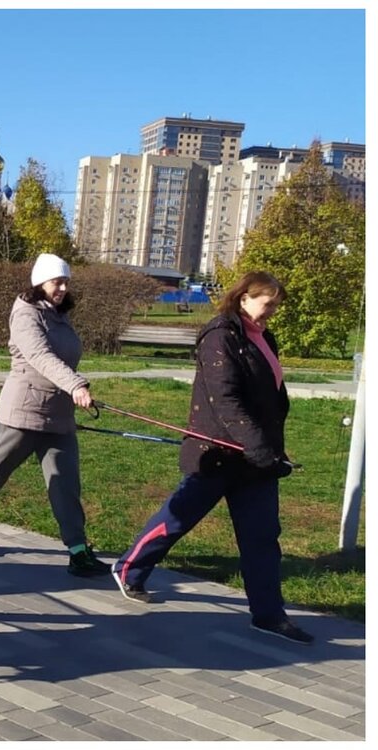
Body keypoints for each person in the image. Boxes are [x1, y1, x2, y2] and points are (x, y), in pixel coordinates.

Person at [113, 271, 312, 644]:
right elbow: (226, 400)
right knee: (177, 520)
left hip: (257, 461)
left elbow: (272, 397)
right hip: (216, 455)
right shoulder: (219, 336)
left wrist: (271, 450)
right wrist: (257, 447)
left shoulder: (263, 336)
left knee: (263, 538)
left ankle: (269, 615)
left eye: (276, 306)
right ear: (243, 299)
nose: (272, 312)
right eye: (268, 304)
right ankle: (129, 569)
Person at [0, 253, 110, 577]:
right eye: (57, 282)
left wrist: (73, 390)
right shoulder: (25, 313)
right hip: (23, 410)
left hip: (59, 414)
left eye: (66, 282)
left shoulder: (59, 316)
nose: (63, 288)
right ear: (40, 282)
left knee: (66, 483)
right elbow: (40, 356)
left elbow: (64, 357)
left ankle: (78, 551)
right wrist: (77, 385)